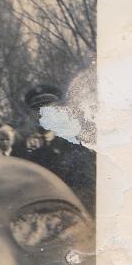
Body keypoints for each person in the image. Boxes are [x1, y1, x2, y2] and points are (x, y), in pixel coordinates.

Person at [22, 85, 96, 214]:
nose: (43, 118)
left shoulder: (75, 144)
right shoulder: (26, 147)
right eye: (38, 113)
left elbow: (88, 187)